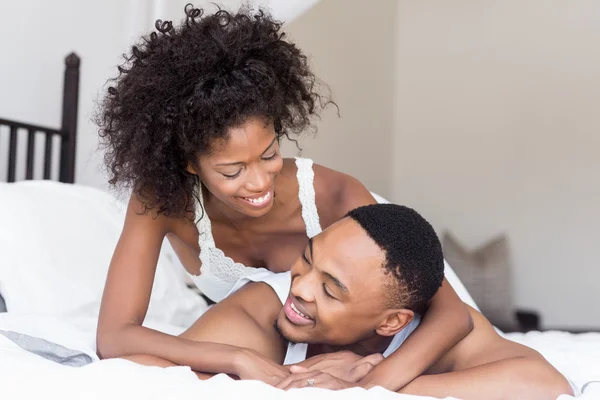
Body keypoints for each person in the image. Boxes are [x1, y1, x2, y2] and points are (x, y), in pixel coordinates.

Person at [95, 5, 472, 390]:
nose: (258, 182)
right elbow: (114, 336)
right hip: (283, 343)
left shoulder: (333, 194)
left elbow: (455, 315)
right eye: (232, 171)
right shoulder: (160, 203)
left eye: (270, 154)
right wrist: (241, 359)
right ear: (191, 164)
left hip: (386, 323)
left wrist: (371, 385)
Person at [122, 204, 572, 400]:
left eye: (331, 289)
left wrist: (373, 383)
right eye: (307, 259)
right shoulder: (260, 313)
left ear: (392, 321)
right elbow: (143, 374)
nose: (300, 288)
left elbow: (544, 385)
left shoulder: (432, 334)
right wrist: (239, 364)